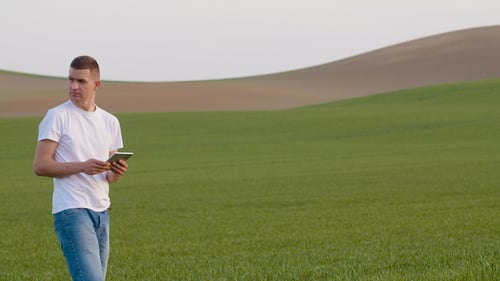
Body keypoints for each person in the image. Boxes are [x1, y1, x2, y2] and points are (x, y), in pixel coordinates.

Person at [33, 55, 128, 281]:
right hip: (71, 210)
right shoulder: (57, 116)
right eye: (70, 79)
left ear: (96, 84)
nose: (73, 86)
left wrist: (115, 173)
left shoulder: (110, 121)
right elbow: (40, 165)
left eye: (81, 81)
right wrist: (82, 166)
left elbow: (108, 175)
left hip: (101, 211)